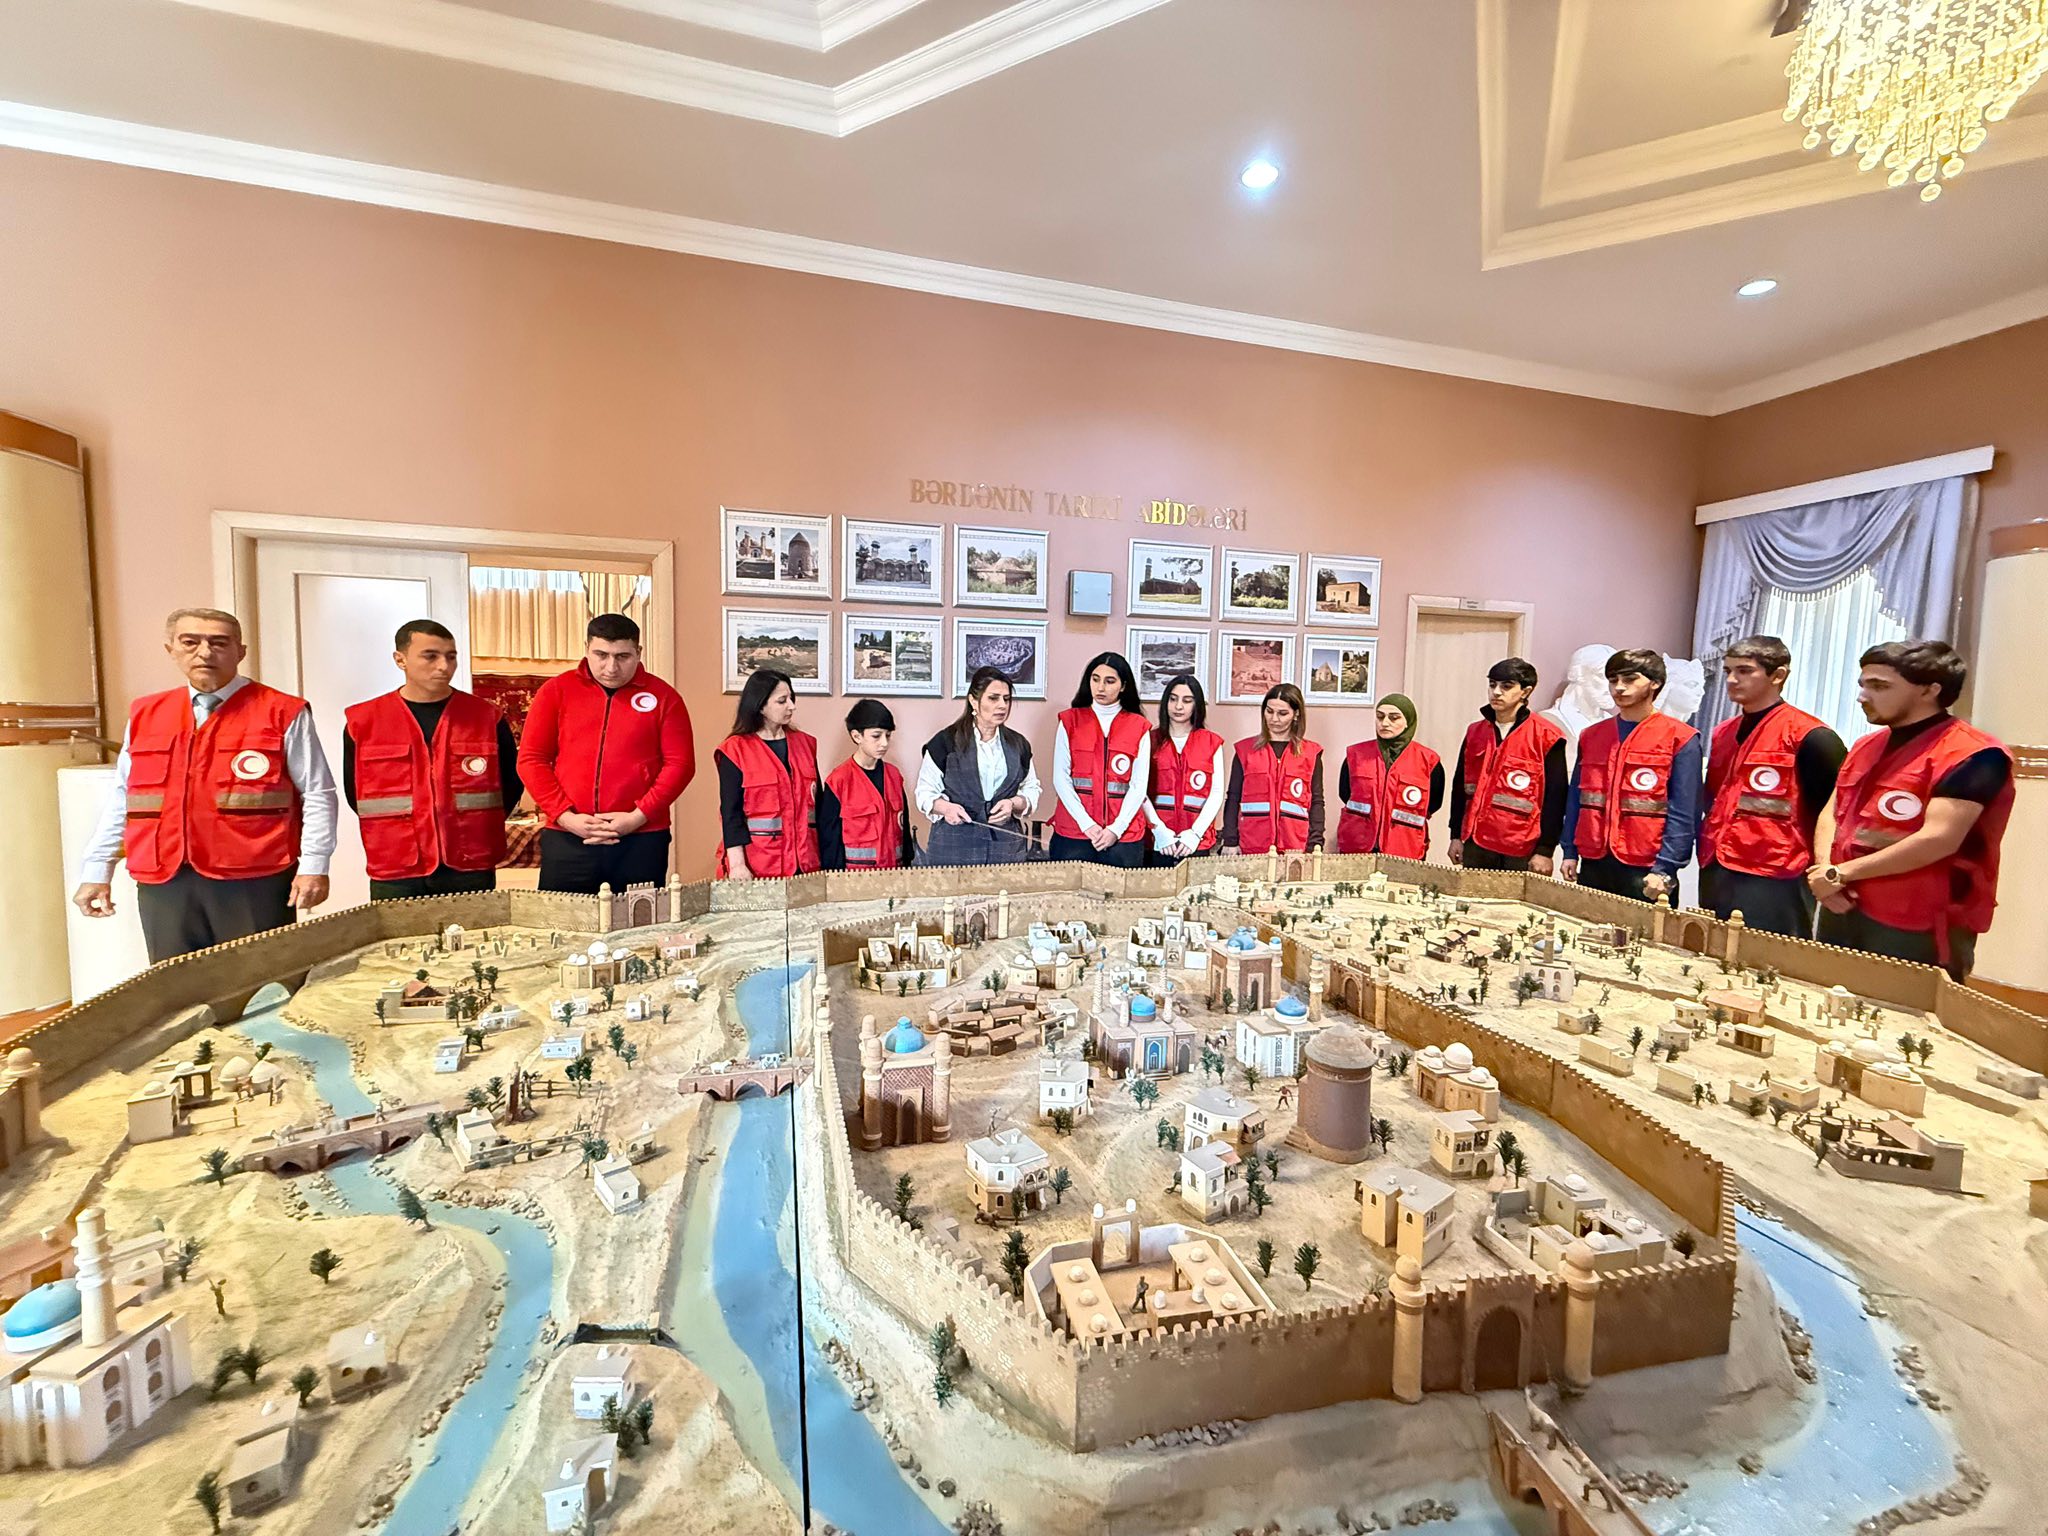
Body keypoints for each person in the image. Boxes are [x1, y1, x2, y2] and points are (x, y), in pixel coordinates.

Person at [73, 606, 338, 962]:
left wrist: (314, 866)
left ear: (240, 651)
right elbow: (126, 797)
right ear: (171, 649)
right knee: (175, 982)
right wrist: (97, 868)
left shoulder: (281, 711)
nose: (205, 652)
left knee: (261, 979)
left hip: (254, 877)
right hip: (166, 878)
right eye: (190, 642)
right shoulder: (146, 713)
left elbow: (318, 793)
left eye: (219, 643)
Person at [1811, 641, 2012, 982]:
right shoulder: (1866, 745)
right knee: (1825, 998)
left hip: (1915, 919)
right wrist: (1825, 872)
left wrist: (1839, 874)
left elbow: (1939, 839)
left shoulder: (1974, 754)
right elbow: (1833, 810)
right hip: (1841, 903)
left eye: (1879, 686)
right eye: (1863, 684)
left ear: (1930, 690)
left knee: (1901, 1010)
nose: (1862, 696)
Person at [342, 618, 522, 900]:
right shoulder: (363, 722)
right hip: (396, 864)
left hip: (469, 861)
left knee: (474, 930)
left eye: (451, 657)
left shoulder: (486, 717)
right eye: (431, 656)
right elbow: (355, 794)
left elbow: (511, 784)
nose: (443, 666)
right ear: (400, 660)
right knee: (399, 932)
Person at [518, 613, 694, 894]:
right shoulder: (556, 691)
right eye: (601, 655)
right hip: (568, 835)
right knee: (565, 918)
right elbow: (531, 759)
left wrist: (638, 816)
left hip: (642, 837)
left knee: (639, 919)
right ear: (586, 649)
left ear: (638, 652)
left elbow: (680, 764)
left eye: (622, 656)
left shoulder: (664, 697)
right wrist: (564, 816)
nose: (611, 667)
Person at [1697, 635, 1846, 936]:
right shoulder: (1723, 733)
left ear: (1778, 675)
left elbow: (1836, 811)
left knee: (1768, 957)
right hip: (1718, 865)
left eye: (1744, 671)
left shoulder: (1811, 736)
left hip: (1776, 872)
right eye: (1728, 671)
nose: (1731, 680)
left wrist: (1827, 871)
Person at [1559, 650, 1702, 903]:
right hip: (1594, 859)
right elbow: (1576, 799)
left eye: (1629, 679)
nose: (1619, 687)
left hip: (1647, 865)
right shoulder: (1592, 736)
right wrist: (1569, 850)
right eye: (1613, 680)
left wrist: (1666, 867)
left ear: (1655, 683)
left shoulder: (1680, 738)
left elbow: (1684, 811)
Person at [1449, 658, 1566, 874]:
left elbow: (1556, 798)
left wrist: (1546, 850)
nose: (1496, 692)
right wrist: (1455, 835)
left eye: (1506, 686)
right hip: (1476, 841)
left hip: (1521, 846)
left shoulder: (1547, 736)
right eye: (1492, 684)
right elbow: (1459, 787)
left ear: (1525, 692)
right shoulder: (1475, 732)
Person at [916, 667, 1041, 866]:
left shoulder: (1019, 745)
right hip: (953, 851)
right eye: (993, 698)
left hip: (1007, 852)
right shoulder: (945, 742)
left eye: (1006, 699)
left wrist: (1013, 803)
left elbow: (1031, 788)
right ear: (974, 701)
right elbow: (924, 792)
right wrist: (946, 808)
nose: (1002, 705)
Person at [715, 669, 822, 879]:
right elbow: (730, 814)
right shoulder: (734, 751)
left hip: (806, 865)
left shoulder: (806, 744)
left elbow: (820, 806)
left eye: (791, 698)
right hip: (759, 867)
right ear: (760, 705)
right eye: (782, 701)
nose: (792, 706)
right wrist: (737, 865)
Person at [1050, 652, 1151, 868]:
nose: (1101, 687)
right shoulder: (1070, 721)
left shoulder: (1139, 726)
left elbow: (1139, 785)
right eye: (1095, 679)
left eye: (1109, 681)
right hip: (1074, 832)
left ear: (1123, 686)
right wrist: (1086, 824)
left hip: (1124, 836)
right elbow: (1060, 778)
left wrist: (1116, 829)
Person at [1334, 693, 1443, 859]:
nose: (1385, 723)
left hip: (1404, 849)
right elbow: (1345, 793)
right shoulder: (1355, 755)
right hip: (1357, 846)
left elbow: (1434, 803)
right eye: (1380, 717)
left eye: (1394, 718)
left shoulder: (1428, 761)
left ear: (1408, 722)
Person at [1222, 684, 1324, 854]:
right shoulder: (1245, 750)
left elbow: (1317, 802)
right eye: (1269, 711)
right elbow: (1233, 798)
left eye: (1282, 713)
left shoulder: (1311, 753)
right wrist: (1230, 840)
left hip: (1295, 847)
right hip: (1252, 844)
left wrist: (1315, 844)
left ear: (1296, 714)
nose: (1274, 719)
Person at [818, 700, 916, 871]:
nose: (884, 743)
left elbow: (904, 831)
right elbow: (830, 842)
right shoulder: (839, 781)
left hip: (894, 873)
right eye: (876, 736)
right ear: (857, 736)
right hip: (855, 878)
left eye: (888, 735)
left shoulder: (894, 776)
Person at [1143, 673, 1227, 863]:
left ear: (1196, 705)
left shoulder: (1211, 742)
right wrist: (1159, 830)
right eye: (1173, 699)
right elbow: (1139, 790)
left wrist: (1195, 834)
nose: (1178, 706)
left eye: (1187, 701)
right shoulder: (1149, 740)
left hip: (1196, 841)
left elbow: (1216, 793)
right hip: (1157, 840)